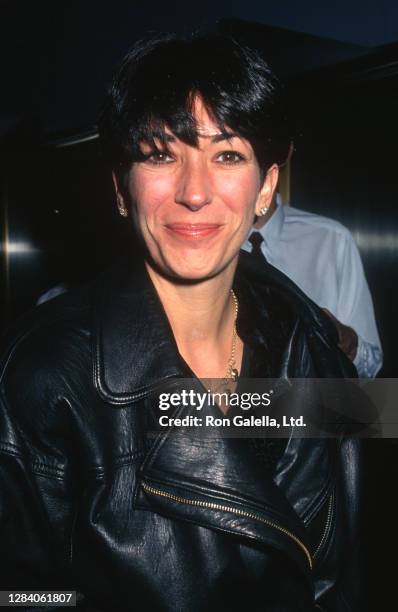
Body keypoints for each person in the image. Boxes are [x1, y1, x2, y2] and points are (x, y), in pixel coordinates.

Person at [0, 34, 362, 611]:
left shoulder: (302, 338)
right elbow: (20, 594)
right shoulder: (38, 381)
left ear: (265, 187)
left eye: (227, 155)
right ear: (122, 188)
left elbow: (348, 551)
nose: (195, 193)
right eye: (161, 154)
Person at [244, 188, 382, 378]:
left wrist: (345, 341)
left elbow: (371, 367)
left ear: (272, 175)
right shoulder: (204, 244)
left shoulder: (332, 239)